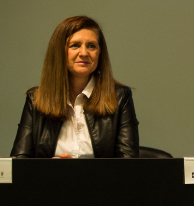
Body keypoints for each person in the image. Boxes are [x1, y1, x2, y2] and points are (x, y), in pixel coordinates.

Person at [11, 16, 139, 158]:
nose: (84, 53)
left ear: (100, 53)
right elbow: (19, 163)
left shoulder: (120, 97)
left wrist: (78, 173)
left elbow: (127, 166)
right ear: (59, 53)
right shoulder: (35, 99)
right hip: (50, 181)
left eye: (91, 46)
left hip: (101, 181)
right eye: (75, 45)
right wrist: (49, 171)